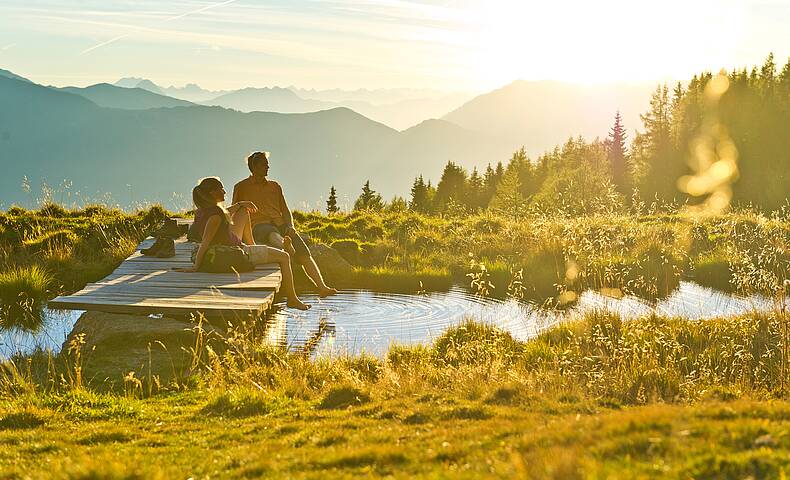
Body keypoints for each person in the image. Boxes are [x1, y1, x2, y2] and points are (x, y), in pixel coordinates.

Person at [177, 176, 310, 310]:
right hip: (236, 254)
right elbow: (205, 242)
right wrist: (195, 267)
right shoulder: (216, 215)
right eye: (221, 189)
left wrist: (241, 204)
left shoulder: (202, 211)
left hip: (230, 246)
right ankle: (292, 299)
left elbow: (225, 214)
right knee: (284, 257)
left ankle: (255, 247)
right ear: (213, 193)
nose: (224, 192)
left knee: (244, 211)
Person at [232, 151, 338, 297]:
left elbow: (285, 210)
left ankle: (322, 287)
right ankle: (285, 246)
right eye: (264, 164)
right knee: (271, 233)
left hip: (280, 224)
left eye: (267, 164)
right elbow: (236, 211)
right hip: (258, 225)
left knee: (304, 252)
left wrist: (291, 227)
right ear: (254, 167)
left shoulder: (275, 186)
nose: (268, 167)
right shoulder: (241, 187)